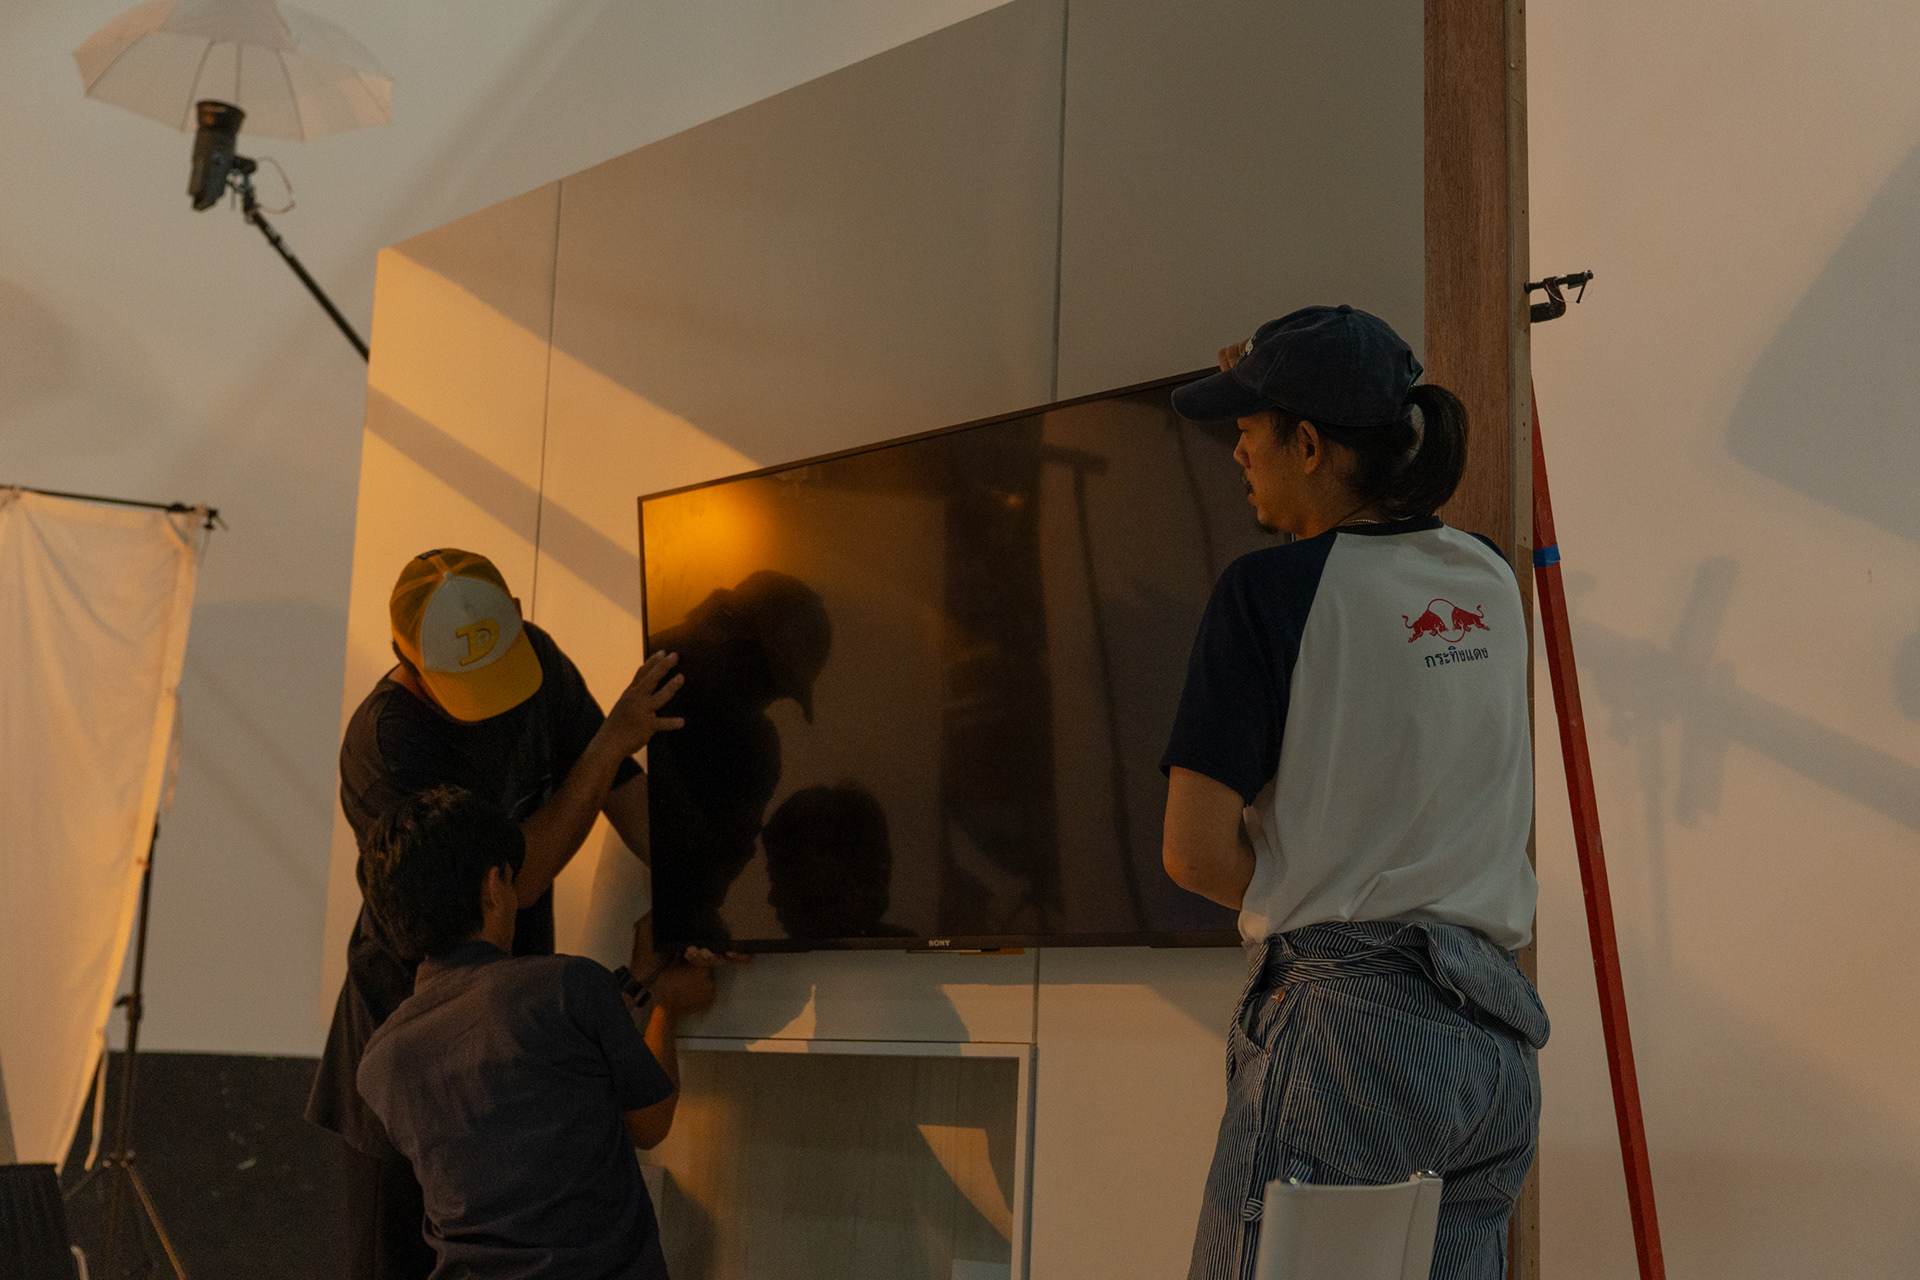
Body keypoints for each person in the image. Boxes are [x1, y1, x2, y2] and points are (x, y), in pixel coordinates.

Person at [1158, 306, 1548, 1280]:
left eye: (1249, 428)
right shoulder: (1489, 578)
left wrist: (1304, 875)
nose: (1235, 452)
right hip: (1494, 1041)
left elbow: (1193, 851)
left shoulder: (1265, 593)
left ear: (1309, 444)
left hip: (1347, 1034)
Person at [307, 548, 690, 1280]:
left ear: (515, 615)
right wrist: (611, 739)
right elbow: (525, 874)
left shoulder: (534, 660)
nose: (491, 702)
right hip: (410, 1039)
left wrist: (702, 898)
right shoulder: (387, 742)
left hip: (512, 1022)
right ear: (406, 657)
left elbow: (622, 792)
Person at [355, 785, 714, 1280]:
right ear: (494, 886)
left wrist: (637, 983)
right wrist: (665, 1009)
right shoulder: (569, 985)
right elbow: (650, 1124)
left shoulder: (380, 1063)